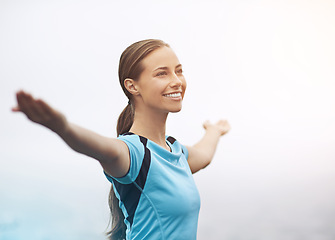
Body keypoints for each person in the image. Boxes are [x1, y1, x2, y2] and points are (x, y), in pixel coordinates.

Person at [12, 39, 230, 240]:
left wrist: (214, 130)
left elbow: (205, 154)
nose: (176, 81)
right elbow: (100, 147)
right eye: (162, 74)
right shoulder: (134, 153)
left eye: (179, 71)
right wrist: (63, 128)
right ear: (132, 86)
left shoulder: (176, 152)